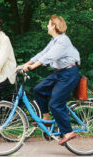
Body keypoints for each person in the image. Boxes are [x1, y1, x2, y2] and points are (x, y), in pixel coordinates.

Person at [18, 15, 81, 145]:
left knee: (55, 103)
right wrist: (25, 64)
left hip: (69, 74)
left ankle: (68, 132)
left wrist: (31, 67)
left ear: (54, 26)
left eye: (48, 24)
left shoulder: (63, 41)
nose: (47, 26)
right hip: (59, 73)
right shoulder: (54, 40)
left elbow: (49, 57)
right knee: (39, 89)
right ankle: (46, 118)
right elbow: (42, 54)